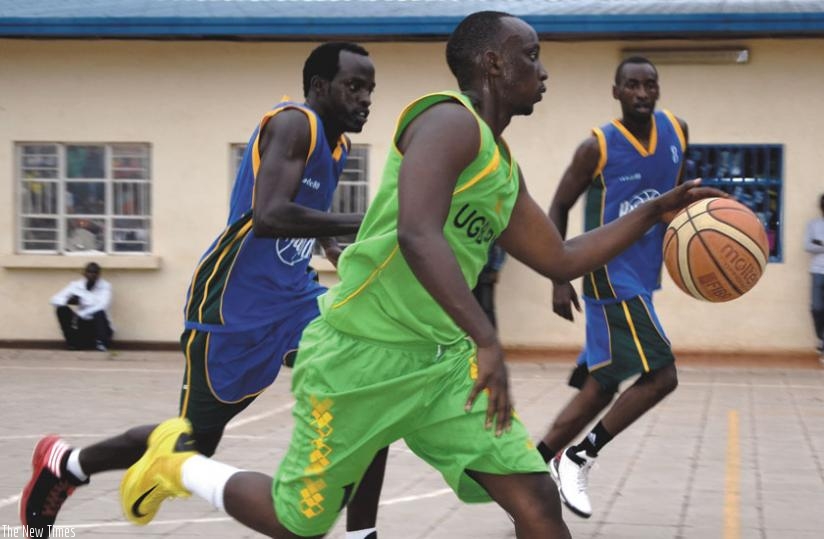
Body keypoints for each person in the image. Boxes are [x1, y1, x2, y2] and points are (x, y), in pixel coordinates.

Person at [117, 12, 722, 539]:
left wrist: (652, 212)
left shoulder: (502, 171)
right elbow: (416, 231)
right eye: (531, 56)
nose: (543, 71)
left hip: (441, 367)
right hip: (360, 357)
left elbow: (561, 259)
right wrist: (488, 339)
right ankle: (177, 464)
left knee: (536, 499)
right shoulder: (447, 119)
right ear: (492, 63)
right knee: (295, 522)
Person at [21, 42, 386, 539]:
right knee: (192, 444)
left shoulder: (337, 145)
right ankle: (67, 464)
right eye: (354, 86)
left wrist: (331, 244)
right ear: (320, 87)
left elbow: (307, 203)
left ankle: (361, 534)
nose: (365, 98)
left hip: (296, 299)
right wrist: (366, 222)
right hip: (232, 303)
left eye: (370, 89)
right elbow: (269, 215)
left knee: (370, 383)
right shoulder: (294, 123)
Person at [534, 56, 690, 519]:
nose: (642, 94)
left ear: (658, 89)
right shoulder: (597, 146)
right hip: (606, 272)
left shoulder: (678, 131)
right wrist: (559, 276)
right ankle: (578, 457)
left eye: (650, 85)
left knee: (601, 389)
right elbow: (557, 207)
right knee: (662, 376)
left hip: (643, 276)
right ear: (616, 91)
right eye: (632, 86)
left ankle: (527, 473)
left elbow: (673, 204)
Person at [50, 262, 113, 351]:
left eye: (95, 272)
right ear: (84, 273)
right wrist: (68, 301)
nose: (92, 275)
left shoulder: (105, 286)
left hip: (99, 326)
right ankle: (72, 343)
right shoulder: (76, 285)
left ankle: (101, 343)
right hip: (83, 326)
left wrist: (81, 311)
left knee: (99, 313)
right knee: (61, 309)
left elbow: (103, 305)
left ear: (99, 275)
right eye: (89, 272)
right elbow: (54, 299)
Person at [804, 193, 824, 358]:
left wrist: (820, 243)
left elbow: (816, 244)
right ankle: (821, 338)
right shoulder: (814, 225)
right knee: (816, 308)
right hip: (817, 271)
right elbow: (808, 245)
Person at [472, 242, 507, 327]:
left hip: (486, 270)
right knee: (473, 306)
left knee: (486, 307)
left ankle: (490, 336)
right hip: (472, 268)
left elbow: (500, 247)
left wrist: (495, 268)